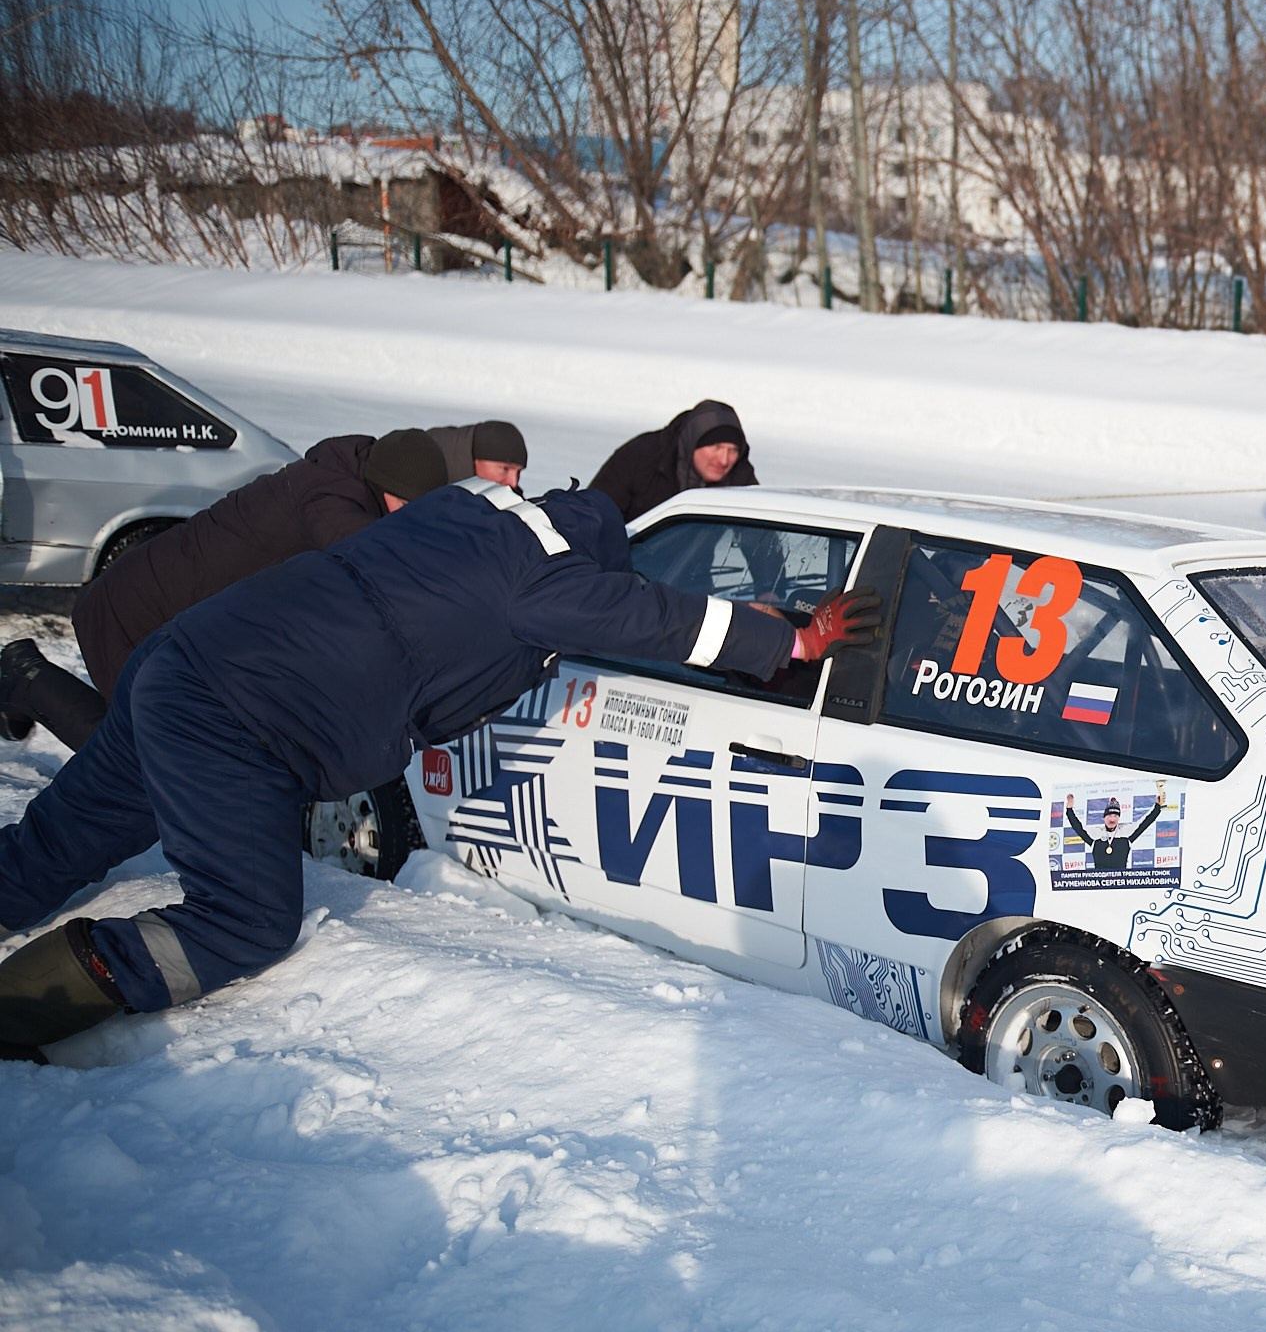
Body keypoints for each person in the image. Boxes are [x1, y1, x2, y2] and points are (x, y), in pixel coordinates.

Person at [0, 477, 877, 1059]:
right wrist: (788, 639)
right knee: (247, 921)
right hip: (237, 726)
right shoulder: (540, 583)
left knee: (60, 839)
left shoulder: (454, 513)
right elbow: (653, 620)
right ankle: (27, 1002)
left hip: (181, 661)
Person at [0, 428, 452, 753]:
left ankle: (25, 684)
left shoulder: (347, 480)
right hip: (131, 615)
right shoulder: (334, 503)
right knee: (138, 763)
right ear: (386, 486)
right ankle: (24, 676)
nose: (408, 518)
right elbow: (372, 576)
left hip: (166, 612)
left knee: (159, 754)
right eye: (407, 505)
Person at [589, 400, 756, 523]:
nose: (724, 460)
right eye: (716, 447)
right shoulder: (641, 456)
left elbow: (758, 541)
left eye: (732, 450)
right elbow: (593, 516)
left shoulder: (740, 477)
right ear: (693, 443)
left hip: (691, 567)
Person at [1065, 784, 1168, 871]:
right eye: (1109, 816)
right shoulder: (1095, 834)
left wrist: (1157, 807)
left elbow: (1145, 822)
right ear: (1104, 818)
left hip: (1121, 883)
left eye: (1115, 816)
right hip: (1098, 883)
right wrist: (1069, 809)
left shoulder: (1126, 833)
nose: (1112, 819)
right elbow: (1077, 827)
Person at [426, 419, 529, 488]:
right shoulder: (421, 484)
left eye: (518, 472)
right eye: (504, 469)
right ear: (476, 459)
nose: (513, 483)